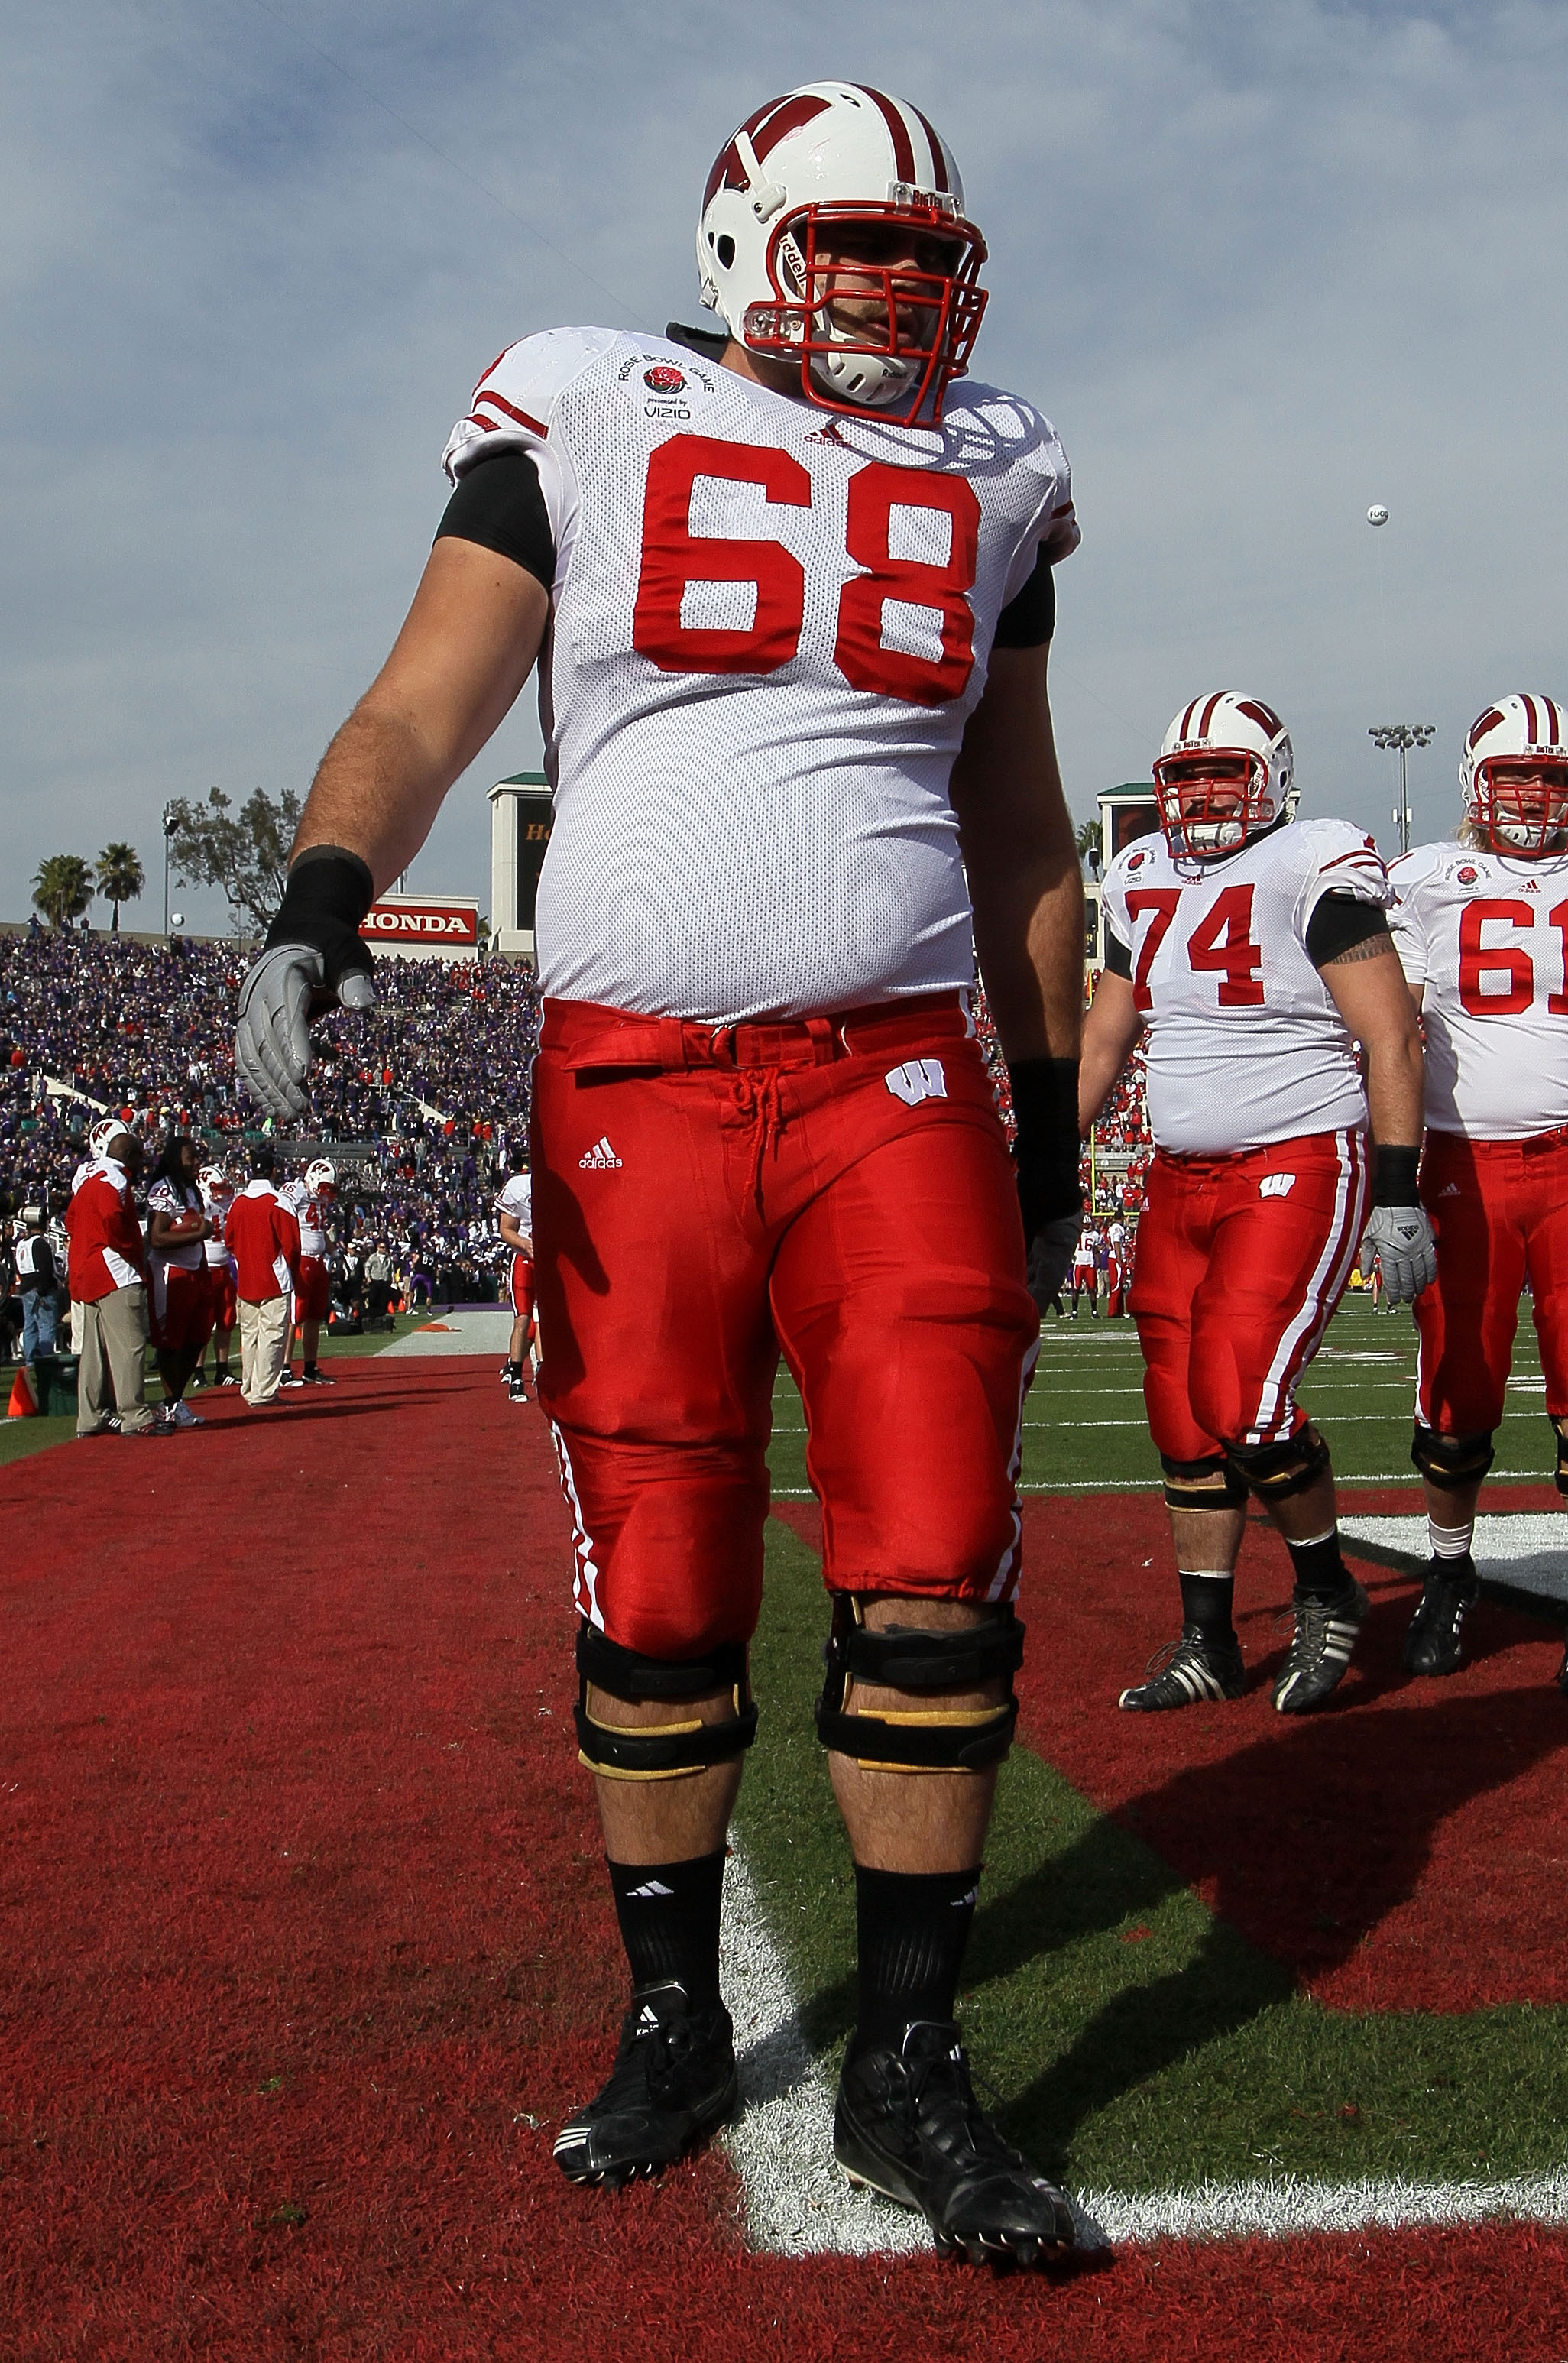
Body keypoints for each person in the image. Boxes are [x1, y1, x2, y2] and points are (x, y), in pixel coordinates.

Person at [232, 82, 1087, 2263]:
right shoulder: (586, 400)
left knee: (928, 1562)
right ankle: (673, 2005)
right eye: (854, 245)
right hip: (632, 1082)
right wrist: (325, 896)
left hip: (893, 1074)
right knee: (667, 1565)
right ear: (735, 247)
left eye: (925, 252)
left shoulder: (995, 470)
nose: (899, 290)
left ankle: (906, 2059)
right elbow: (425, 701)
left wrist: (1059, 1104)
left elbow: (1019, 830)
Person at [1080, 692, 1435, 1714]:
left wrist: (1399, 1193)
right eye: (1184, 775)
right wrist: (1040, 1163)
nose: (1200, 794)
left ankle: (1328, 1589)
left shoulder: (1310, 859)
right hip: (1175, 1176)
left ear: (1273, 773)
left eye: (1222, 772)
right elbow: (1108, 1039)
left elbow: (1393, 1033)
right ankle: (1207, 1642)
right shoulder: (1141, 874)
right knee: (1183, 1421)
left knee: (1244, 1396)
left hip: (1296, 1156)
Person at [1388, 694, 1568, 1690]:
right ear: (1474, 784)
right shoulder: (1422, 880)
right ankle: (1449, 1576)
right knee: (1459, 1394)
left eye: (1553, 777)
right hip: (1467, 1163)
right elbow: (1392, 1024)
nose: (1537, 797)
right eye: (1517, 776)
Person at [65, 1122, 167, 1438]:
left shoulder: (88, 1177)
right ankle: (135, 1415)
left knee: (93, 1350)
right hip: (113, 1269)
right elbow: (112, 1219)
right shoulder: (115, 1178)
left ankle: (90, 1417)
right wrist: (131, 1249)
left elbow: (70, 1220)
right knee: (130, 1345)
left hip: (86, 1267)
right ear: (129, 1155)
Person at [144, 1132, 215, 1428]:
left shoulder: (190, 1189)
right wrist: (198, 1234)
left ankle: (173, 1400)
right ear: (176, 1160)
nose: (196, 1163)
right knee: (171, 1342)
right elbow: (157, 1237)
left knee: (198, 1337)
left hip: (195, 1268)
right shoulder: (164, 1189)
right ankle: (171, 1403)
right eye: (191, 1158)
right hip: (170, 1272)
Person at [224, 1145, 300, 1408]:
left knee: (250, 1336)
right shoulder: (279, 1201)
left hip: (246, 1277)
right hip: (274, 1277)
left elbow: (229, 1241)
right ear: (274, 1171)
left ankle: (249, 1387)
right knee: (272, 1335)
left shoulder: (238, 1203)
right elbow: (291, 1245)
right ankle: (264, 1391)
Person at [281, 1157, 339, 1384]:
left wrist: (335, 1253)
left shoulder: (318, 1201)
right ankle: (285, 1367)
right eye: (325, 1187)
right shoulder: (295, 1192)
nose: (327, 1193)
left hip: (318, 1261)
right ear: (313, 1179)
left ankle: (310, 1367)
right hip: (302, 1259)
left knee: (315, 1316)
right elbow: (282, 1218)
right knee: (295, 1316)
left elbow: (320, 1231)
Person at [495, 1158, 536, 1402]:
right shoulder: (518, 1185)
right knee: (523, 1317)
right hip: (525, 1260)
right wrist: (525, 1244)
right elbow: (506, 1228)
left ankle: (541, 1370)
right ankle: (517, 1376)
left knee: (545, 1320)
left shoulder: (561, 1183)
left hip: (554, 1261)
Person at [196, 1162, 239, 1386]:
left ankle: (222, 1370)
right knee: (204, 1322)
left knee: (226, 1320)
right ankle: (198, 1371)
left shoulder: (227, 1204)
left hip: (224, 1265)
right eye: (216, 1188)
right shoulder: (197, 1205)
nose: (221, 1193)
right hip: (205, 1268)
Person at [13, 1206, 58, 1364]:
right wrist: (46, 1288)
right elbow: (46, 1269)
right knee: (47, 1325)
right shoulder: (40, 1243)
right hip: (41, 1290)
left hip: (26, 1289)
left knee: (30, 1326)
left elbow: (17, 1267)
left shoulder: (20, 1244)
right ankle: (45, 1360)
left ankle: (30, 1360)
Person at [1069, 1221, 1100, 1318]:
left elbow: (1096, 1250)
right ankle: (1074, 1311)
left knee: (1092, 1289)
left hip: (1089, 1264)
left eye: (1088, 1224)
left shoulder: (1094, 1235)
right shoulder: (1077, 1234)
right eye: (1085, 1224)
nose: (1087, 1226)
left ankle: (1094, 1311)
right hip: (1079, 1264)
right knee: (1076, 1288)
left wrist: (1098, 1262)